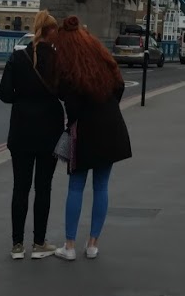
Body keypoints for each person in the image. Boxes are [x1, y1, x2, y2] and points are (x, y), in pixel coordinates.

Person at [50, 16, 132, 261]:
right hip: (110, 127)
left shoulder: (69, 67)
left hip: (84, 131)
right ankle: (93, 244)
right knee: (101, 186)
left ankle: (70, 246)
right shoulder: (101, 56)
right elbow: (119, 86)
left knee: (76, 186)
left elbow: (70, 103)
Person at [0, 10, 64, 261]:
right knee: (43, 188)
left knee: (20, 188)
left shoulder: (17, 57)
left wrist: (23, 100)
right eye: (55, 30)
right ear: (50, 32)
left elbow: (4, 94)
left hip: (22, 130)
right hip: (50, 131)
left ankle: (17, 245)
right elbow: (64, 92)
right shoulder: (57, 60)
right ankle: (39, 243)